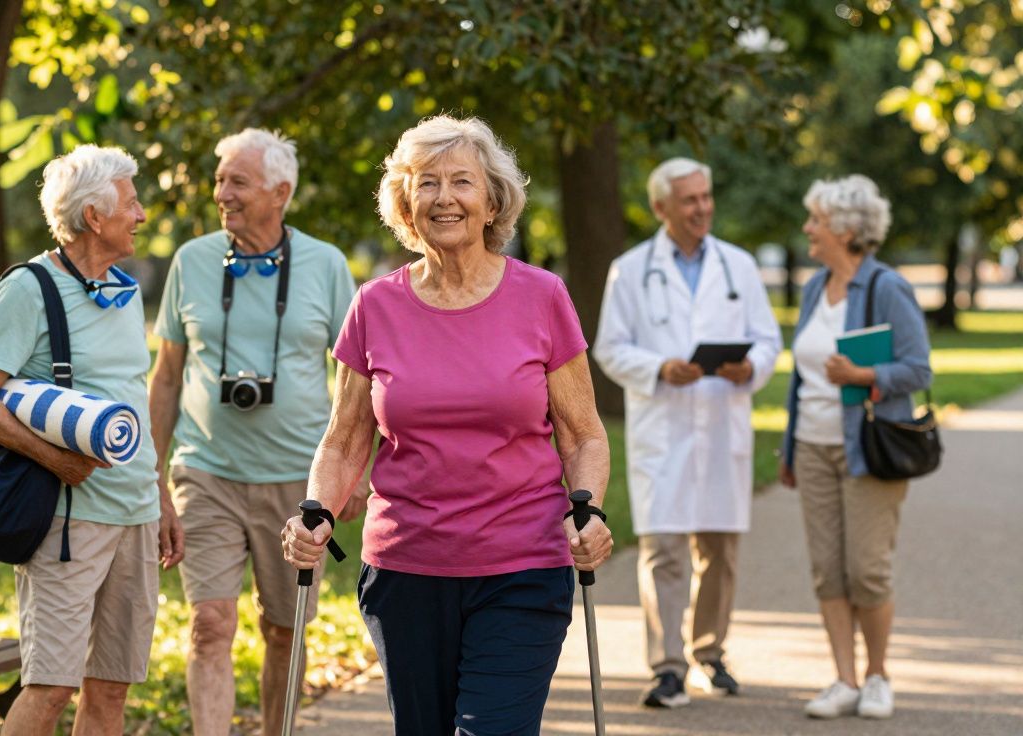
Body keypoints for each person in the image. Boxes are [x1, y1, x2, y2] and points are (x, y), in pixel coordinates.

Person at [282, 115, 614, 735]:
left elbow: (583, 433)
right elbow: (346, 437)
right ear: (406, 205)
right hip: (406, 570)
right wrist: (317, 509)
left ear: (491, 201)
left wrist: (589, 509)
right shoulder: (375, 305)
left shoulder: (542, 296)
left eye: (461, 181)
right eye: (426, 183)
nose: (443, 198)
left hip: (522, 564)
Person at [0, 145, 184, 736]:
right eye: (130, 203)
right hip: (67, 524)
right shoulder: (28, 289)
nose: (140, 214)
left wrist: (159, 496)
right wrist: (55, 459)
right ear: (94, 217)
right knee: (52, 687)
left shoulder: (125, 291)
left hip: (135, 516)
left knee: (110, 691)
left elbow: (132, 399)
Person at [149, 128, 359, 736]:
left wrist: (355, 472)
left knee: (284, 629)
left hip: (298, 481)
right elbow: (165, 379)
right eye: (220, 180)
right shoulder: (191, 261)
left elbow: (355, 378)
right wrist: (156, 480)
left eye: (237, 181)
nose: (222, 193)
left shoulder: (325, 265)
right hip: (205, 473)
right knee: (209, 624)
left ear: (280, 191)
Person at [594, 157, 782, 708]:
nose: (702, 208)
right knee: (665, 551)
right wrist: (658, 369)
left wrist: (753, 369)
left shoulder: (739, 266)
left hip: (721, 421)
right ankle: (668, 666)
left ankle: (710, 651)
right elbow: (609, 347)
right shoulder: (630, 269)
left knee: (719, 551)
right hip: (665, 425)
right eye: (689, 200)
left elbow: (767, 339)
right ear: (660, 208)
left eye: (706, 196)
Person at [779, 175, 931, 720]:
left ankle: (878, 675)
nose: (808, 230)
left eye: (815, 220)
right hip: (814, 446)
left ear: (844, 229)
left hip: (868, 446)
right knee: (828, 570)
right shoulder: (818, 287)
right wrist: (789, 448)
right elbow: (802, 376)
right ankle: (843, 678)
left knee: (867, 570)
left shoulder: (887, 287)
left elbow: (918, 369)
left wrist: (864, 373)